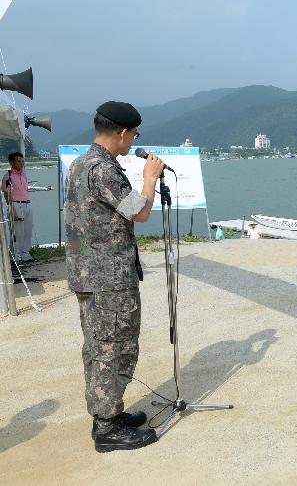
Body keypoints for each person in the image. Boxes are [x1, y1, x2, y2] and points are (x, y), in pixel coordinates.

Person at [64, 101, 164, 452]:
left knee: (100, 345)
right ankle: (106, 428)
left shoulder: (81, 163)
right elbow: (139, 212)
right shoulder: (102, 169)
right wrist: (150, 179)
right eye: (134, 133)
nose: (134, 139)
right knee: (113, 347)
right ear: (122, 133)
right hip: (107, 278)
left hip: (92, 275)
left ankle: (110, 411)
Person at [2, 152, 33, 261]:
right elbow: (7, 194)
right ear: (11, 163)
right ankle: (17, 256)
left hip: (27, 204)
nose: (21, 163)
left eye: (22, 161)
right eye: (18, 161)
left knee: (28, 231)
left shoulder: (24, 176)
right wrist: (12, 210)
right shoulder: (7, 176)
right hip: (16, 204)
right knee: (18, 233)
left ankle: (25, 254)